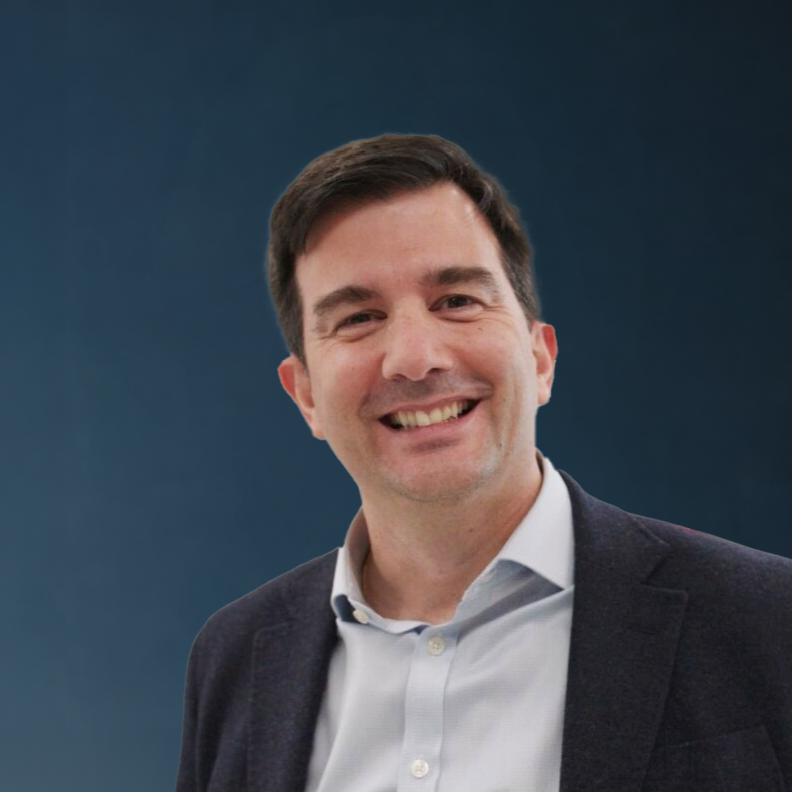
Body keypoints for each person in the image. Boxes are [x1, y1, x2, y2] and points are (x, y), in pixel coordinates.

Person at [175, 134, 792, 792]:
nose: (415, 358)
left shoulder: (768, 622)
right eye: (358, 318)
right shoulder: (234, 658)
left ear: (541, 358)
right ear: (305, 397)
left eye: (457, 301)